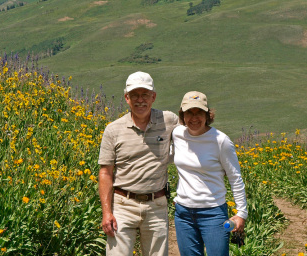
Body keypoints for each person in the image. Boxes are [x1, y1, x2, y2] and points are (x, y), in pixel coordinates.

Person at [98, 71, 179, 255]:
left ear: (154, 97)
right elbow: (105, 173)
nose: (140, 100)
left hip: (157, 204)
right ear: (126, 97)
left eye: (145, 95)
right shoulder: (113, 130)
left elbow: (192, 135)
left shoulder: (169, 121)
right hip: (122, 205)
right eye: (134, 95)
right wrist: (106, 212)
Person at [172, 91, 248, 256]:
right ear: (182, 115)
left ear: (207, 115)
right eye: (189, 113)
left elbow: (235, 178)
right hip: (183, 213)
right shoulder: (177, 134)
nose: (194, 118)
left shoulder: (220, 140)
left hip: (213, 213)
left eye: (199, 112)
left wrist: (241, 213)